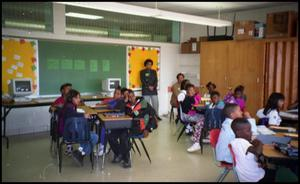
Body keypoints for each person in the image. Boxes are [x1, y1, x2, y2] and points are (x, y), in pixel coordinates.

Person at [230, 118, 276, 182]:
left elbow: (252, 155)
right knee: (277, 174)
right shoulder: (242, 142)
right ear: (238, 133)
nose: (251, 132)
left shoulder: (235, 142)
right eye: (248, 130)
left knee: (267, 167)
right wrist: (259, 142)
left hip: (247, 176)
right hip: (255, 178)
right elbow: (258, 152)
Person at [61, 89, 98, 166]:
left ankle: (80, 152)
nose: (79, 99)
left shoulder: (69, 106)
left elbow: (73, 114)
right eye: (77, 98)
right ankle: (81, 154)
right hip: (72, 135)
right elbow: (73, 115)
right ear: (72, 98)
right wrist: (83, 116)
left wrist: (82, 116)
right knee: (94, 137)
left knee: (91, 135)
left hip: (71, 133)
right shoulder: (69, 107)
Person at [124, 89, 158, 167]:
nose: (131, 98)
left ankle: (126, 159)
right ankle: (123, 155)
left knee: (124, 136)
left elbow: (152, 114)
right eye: (128, 97)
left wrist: (148, 129)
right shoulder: (126, 106)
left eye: (132, 96)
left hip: (140, 128)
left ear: (135, 96)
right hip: (129, 127)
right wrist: (124, 102)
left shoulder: (142, 103)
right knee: (120, 134)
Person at [49, 83, 72, 155]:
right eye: (68, 89)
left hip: (73, 120)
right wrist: (54, 107)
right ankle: (69, 146)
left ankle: (81, 149)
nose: (70, 90)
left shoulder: (73, 99)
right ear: (62, 91)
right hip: (63, 123)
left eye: (71, 88)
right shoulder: (59, 100)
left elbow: (81, 105)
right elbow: (50, 109)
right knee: (68, 125)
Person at [180, 83, 204, 152]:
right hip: (190, 116)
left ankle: (196, 136)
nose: (193, 91)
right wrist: (203, 109)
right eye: (190, 90)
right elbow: (195, 109)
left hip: (191, 115)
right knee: (205, 118)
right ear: (187, 91)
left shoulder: (191, 97)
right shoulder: (189, 98)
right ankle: (197, 140)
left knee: (204, 116)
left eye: (193, 90)